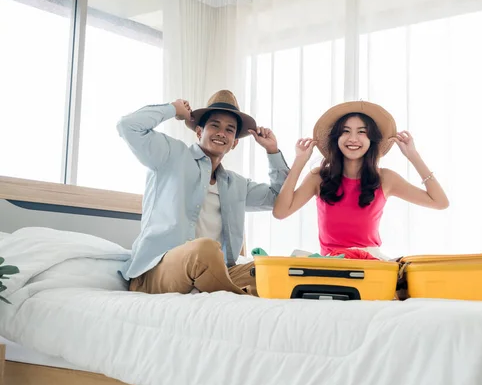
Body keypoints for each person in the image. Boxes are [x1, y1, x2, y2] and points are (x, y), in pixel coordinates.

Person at [117, 90, 289, 296]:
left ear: (234, 143)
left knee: (264, 270)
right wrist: (174, 108)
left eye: (229, 130)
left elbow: (280, 197)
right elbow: (128, 126)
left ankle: (226, 290)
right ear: (199, 132)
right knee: (205, 250)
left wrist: (272, 151)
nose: (221, 133)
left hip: (212, 271)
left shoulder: (236, 184)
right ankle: (239, 298)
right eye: (214, 125)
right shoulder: (171, 155)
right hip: (157, 271)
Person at [272, 100, 449, 259]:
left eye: (361, 132)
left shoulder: (385, 179)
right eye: (345, 132)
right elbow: (280, 212)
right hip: (332, 265)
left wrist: (413, 156)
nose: (353, 139)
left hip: (369, 264)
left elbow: (440, 202)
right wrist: (299, 161)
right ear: (337, 139)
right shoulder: (319, 177)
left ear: (371, 140)